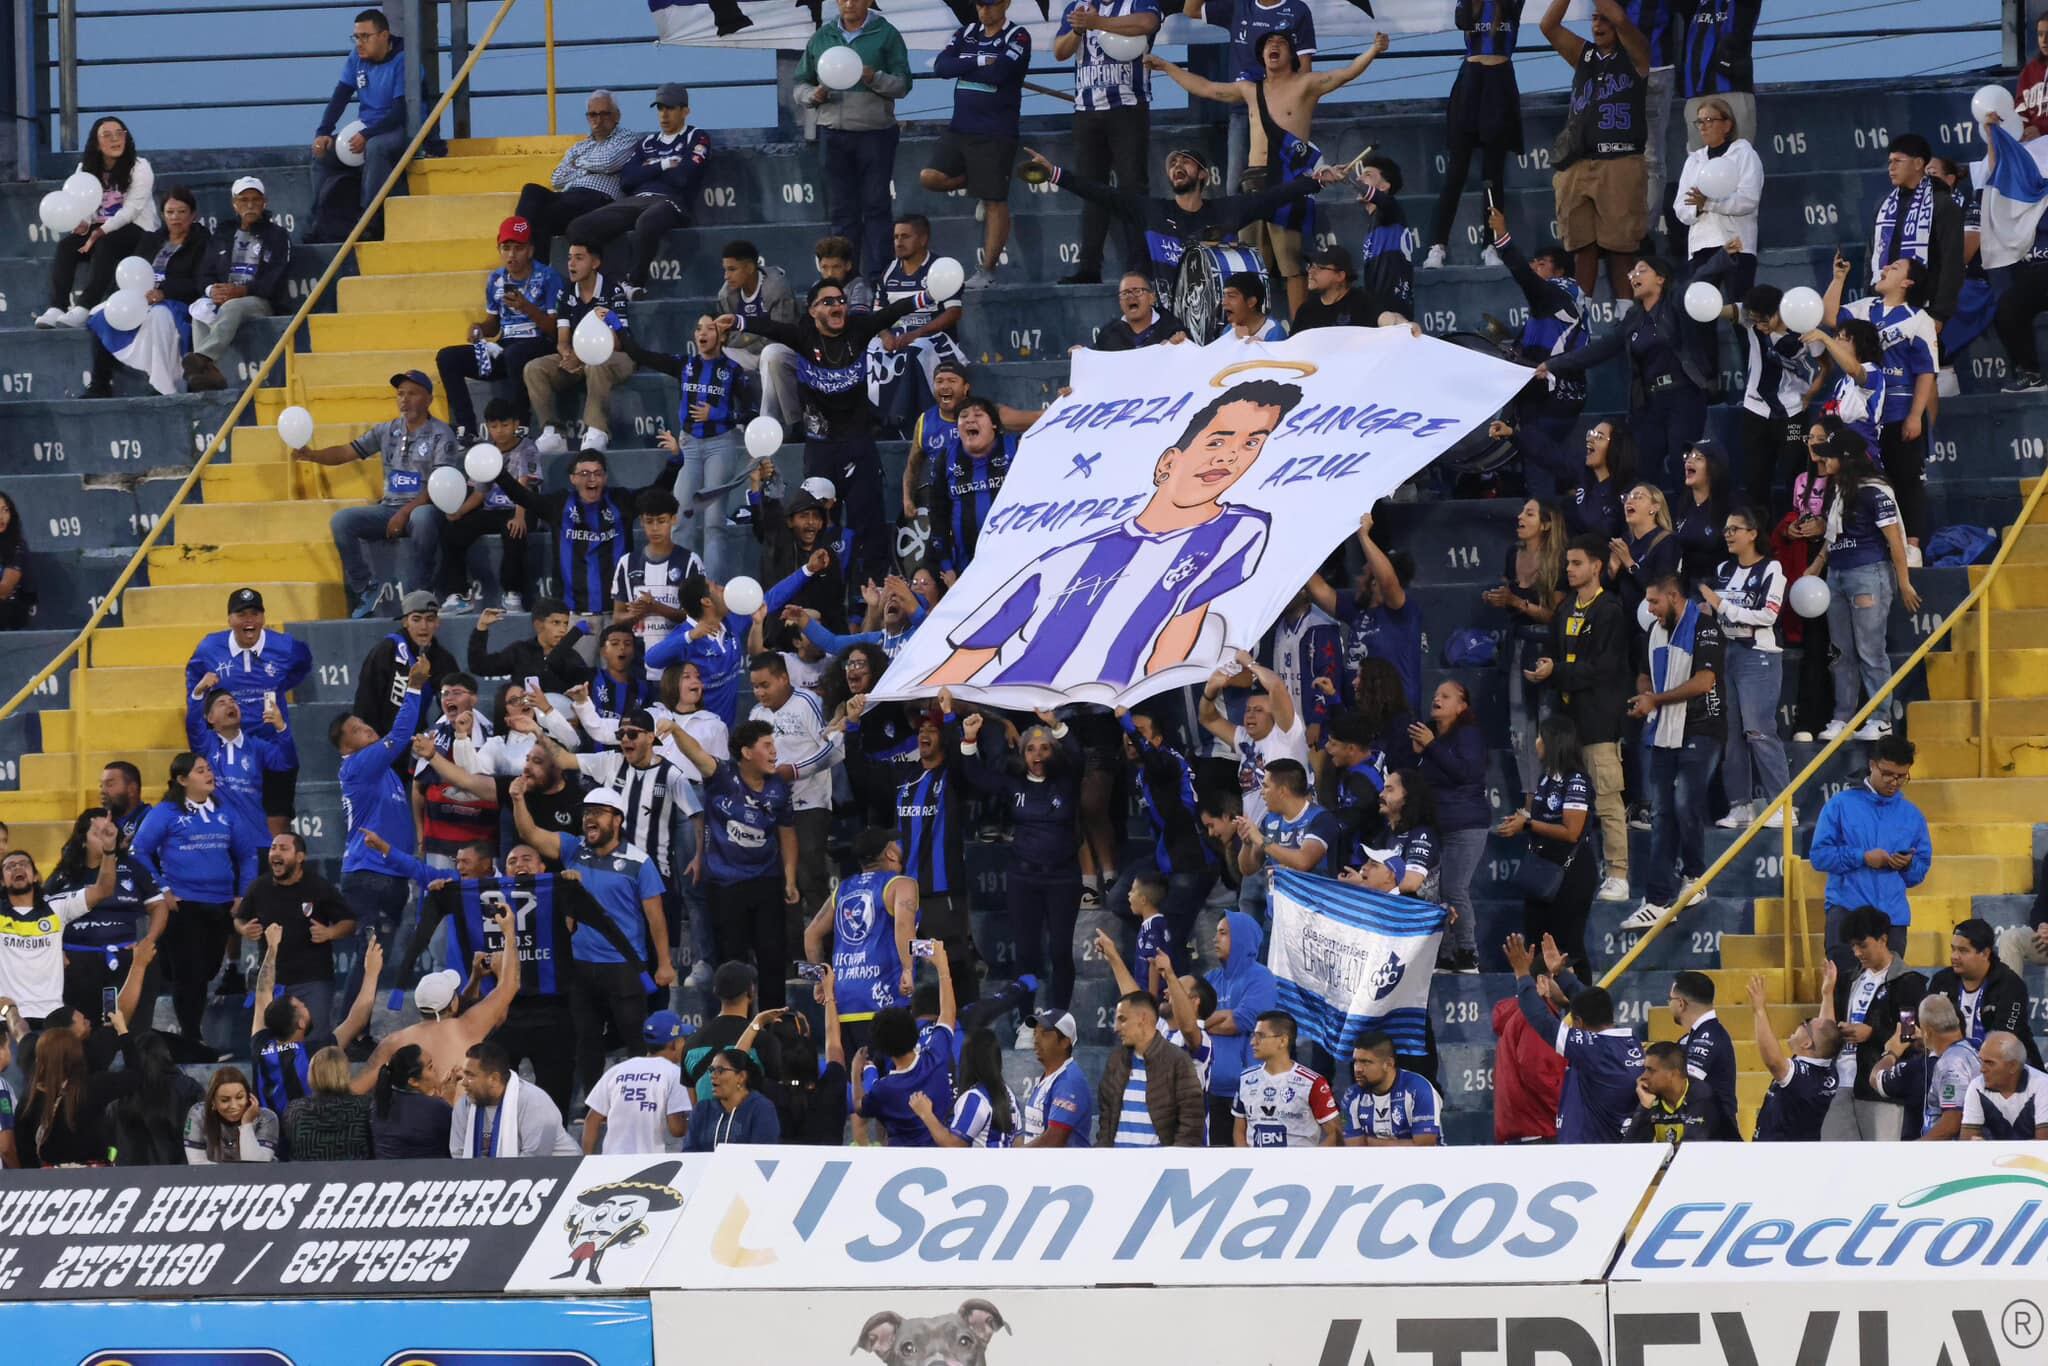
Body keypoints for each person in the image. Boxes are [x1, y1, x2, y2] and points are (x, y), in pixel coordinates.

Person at [1149, 33, 1389, 315]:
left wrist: (1373, 49)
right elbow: (1206, 88)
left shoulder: (1306, 85)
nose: (1273, 47)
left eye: (1281, 43)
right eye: (1267, 45)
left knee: (1291, 264)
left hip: (1288, 179)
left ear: (1292, 54)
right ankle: (1254, 331)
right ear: (1261, 56)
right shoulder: (1251, 90)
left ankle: (1299, 329)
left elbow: (1346, 72)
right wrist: (1167, 66)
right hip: (1253, 180)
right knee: (1251, 263)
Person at [716, 280, 933, 585]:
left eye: (841, 300)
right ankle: (821, 588)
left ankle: (867, 594)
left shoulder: (858, 329)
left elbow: (892, 312)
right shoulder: (803, 335)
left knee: (867, 523)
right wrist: (738, 320)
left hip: (858, 443)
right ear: (813, 310)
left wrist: (928, 294)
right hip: (820, 448)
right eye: (828, 301)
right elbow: (771, 329)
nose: (837, 305)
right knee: (817, 525)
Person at [1024, 143, 1327, 295]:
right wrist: (1055, 174)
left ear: (1204, 176)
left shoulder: (1226, 211)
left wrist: (1318, 180)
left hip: (1214, 319)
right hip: (1166, 324)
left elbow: (1271, 198)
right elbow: (1099, 193)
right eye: (1173, 163)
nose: (1178, 165)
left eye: (1187, 162)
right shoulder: (1152, 210)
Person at [293, 370, 460, 617]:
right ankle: (365, 588)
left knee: (423, 519)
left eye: (412, 394)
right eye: (400, 394)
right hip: (389, 508)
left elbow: (440, 486)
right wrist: (313, 455)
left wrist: (404, 513)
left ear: (428, 399)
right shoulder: (387, 430)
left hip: (425, 507)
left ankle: (419, 593)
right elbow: (346, 452)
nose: (404, 399)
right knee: (342, 521)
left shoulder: (441, 433)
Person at [1540, 258, 1712, 485]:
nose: (1633, 276)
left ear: (1661, 278)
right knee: (1643, 470)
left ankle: (1687, 519)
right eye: (1631, 273)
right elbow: (1600, 350)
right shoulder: (1634, 317)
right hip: (1649, 403)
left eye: (1642, 271)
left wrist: (1723, 259)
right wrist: (1554, 365)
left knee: (1683, 469)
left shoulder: (1675, 304)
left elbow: (1698, 280)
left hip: (1683, 397)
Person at [131, 754, 263, 1043]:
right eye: (200, 771)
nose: (208, 774)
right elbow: (138, 851)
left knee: (207, 970)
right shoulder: (166, 812)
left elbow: (248, 853)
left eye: (208, 769)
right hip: (184, 906)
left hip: (221, 904)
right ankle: (192, 1036)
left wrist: (244, 893)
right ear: (182, 779)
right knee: (190, 975)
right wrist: (162, 888)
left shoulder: (226, 811)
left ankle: (171, 978)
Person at [1621, 574, 1726, 931]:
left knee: (1684, 802)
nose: (1649, 609)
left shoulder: (1705, 627)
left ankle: (1696, 877)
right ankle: (1656, 900)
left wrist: (1656, 700)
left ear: (1674, 597)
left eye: (1654, 602)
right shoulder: (1653, 632)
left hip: (1702, 727)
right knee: (1662, 813)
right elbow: (1643, 675)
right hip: (1664, 731)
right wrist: (1645, 695)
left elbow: (1704, 682)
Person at [960, 709, 1084, 1009]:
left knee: (1059, 952)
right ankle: (1028, 1019)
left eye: (1044, 748)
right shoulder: (1013, 783)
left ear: (1053, 751)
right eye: (1030, 749)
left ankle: (1059, 1016)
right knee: (1026, 952)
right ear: (1022, 753)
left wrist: (1055, 724)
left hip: (1063, 878)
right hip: (1024, 879)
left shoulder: (1067, 780)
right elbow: (977, 776)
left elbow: (1078, 756)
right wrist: (969, 738)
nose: (1037, 755)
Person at [1530, 534, 1631, 901]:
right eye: (1567, 563)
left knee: (1606, 800)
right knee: (1565, 802)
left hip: (1599, 721)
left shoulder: (1610, 611)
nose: (1568, 570)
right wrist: (1547, 666)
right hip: (1566, 723)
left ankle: (1619, 873)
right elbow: (1556, 653)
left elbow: (1602, 669)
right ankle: (1576, 872)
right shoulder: (1566, 608)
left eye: (1576, 563)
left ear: (1596, 566)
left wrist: (1555, 671)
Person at [330, 652, 436, 1002]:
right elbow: (402, 731)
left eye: (366, 723)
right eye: (358, 729)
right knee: (368, 959)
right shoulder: (358, 765)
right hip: (368, 875)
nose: (368, 728)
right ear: (346, 746)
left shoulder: (383, 771)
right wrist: (414, 686)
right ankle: (346, 1031)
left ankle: (357, 1029)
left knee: (374, 961)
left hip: (390, 874)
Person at [1800, 437, 1919, 741]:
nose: (1821, 461)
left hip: (1869, 574)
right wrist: (1816, 566)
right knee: (1841, 652)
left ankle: (1881, 719)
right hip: (1837, 575)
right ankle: (1843, 718)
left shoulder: (1874, 491)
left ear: (1847, 458)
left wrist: (1904, 582)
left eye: (1829, 456)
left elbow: (1894, 539)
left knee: (1870, 650)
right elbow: (1833, 535)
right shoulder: (1838, 490)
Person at [794, 0, 913, 283]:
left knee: (876, 207)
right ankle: (844, 283)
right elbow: (800, 84)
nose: (849, 4)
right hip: (833, 134)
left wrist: (875, 77)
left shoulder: (887, 34)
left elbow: (903, 84)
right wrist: (813, 96)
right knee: (841, 211)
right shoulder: (822, 37)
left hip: (876, 134)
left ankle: (879, 279)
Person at [1538, 0, 1650, 299]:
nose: (1598, 25)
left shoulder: (1636, 52)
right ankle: (1581, 313)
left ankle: (1626, 315)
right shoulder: (1585, 54)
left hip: (1620, 158)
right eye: (1594, 19)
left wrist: (1615, 17)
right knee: (1582, 247)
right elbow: (1548, 26)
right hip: (1578, 161)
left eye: (1604, 20)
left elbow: (1623, 21)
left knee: (1619, 248)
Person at [1825, 251, 1937, 546]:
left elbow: (1926, 371)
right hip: (1865, 416)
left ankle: (1911, 547)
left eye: (1895, 266)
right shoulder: (1863, 308)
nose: (1885, 267)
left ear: (1908, 282)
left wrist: (1915, 415)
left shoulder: (1919, 319)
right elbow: (1829, 317)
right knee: (1870, 484)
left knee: (1906, 480)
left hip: (1900, 412)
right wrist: (1838, 279)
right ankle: (1876, 544)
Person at [184, 587, 312, 837]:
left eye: (255, 613)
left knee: (277, 824)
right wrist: (202, 702)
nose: (249, 620)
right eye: (241, 614)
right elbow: (193, 676)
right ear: (230, 619)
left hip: (270, 744)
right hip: (229, 747)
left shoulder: (285, 646)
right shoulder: (210, 647)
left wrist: (281, 685)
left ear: (264, 617)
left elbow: (303, 663)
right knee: (231, 823)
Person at [565, 85, 710, 295]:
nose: (664, 114)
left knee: (648, 221)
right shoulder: (647, 142)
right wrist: (665, 164)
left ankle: (634, 284)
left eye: (670, 108)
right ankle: (606, 286)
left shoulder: (697, 137)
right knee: (578, 227)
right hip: (636, 200)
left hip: (671, 201)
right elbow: (627, 180)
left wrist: (647, 169)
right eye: (660, 108)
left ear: (685, 111)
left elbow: (683, 177)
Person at [925, 0, 1030, 290]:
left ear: (1006, 3)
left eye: (991, 4)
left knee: (996, 201)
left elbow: (1000, 74)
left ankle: (987, 271)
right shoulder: (968, 31)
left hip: (995, 132)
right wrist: (981, 60)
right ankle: (980, 183)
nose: (985, 9)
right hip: (960, 127)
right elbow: (941, 67)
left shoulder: (1018, 35)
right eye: (980, 4)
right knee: (930, 177)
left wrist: (965, 65)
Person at [434, 216, 566, 440]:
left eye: (518, 248)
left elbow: (554, 329)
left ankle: (521, 424)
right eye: (506, 248)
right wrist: (479, 329)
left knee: (515, 355)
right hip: (505, 347)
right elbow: (493, 324)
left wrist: (526, 307)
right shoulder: (496, 278)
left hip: (540, 343)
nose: (512, 255)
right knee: (447, 357)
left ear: (531, 250)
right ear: (499, 248)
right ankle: (467, 429)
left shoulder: (548, 276)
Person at [1506, 932, 1644, 1141]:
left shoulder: (1594, 1049)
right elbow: (1589, 1000)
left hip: (1591, 1155)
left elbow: (1543, 1022)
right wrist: (1561, 973)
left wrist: (1522, 976)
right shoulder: (1629, 1041)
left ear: (1578, 1023)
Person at [1422, 0, 1526, 271]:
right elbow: (1464, 22)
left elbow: (1512, 11)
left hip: (1500, 79)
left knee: (1493, 175)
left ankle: (1491, 246)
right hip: (1471, 81)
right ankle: (1437, 246)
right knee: (1456, 173)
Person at [1811, 735, 1929, 963]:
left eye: (1901, 776)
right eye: (1887, 774)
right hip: (1847, 909)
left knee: (1888, 992)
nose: (1893, 782)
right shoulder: (1840, 804)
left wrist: (1908, 865)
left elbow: (1919, 872)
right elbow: (1819, 856)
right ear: (1872, 765)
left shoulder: (1913, 815)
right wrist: (1862, 857)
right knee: (1845, 988)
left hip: (1892, 919)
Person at [82, 183, 206, 398]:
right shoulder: (151, 239)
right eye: (170, 212)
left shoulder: (203, 242)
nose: (175, 217)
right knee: (102, 313)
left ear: (193, 215)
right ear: (163, 215)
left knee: (158, 316)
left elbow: (199, 282)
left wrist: (164, 292)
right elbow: (132, 268)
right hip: (140, 298)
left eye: (181, 212)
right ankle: (99, 384)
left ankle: (161, 385)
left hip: (175, 301)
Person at [1497, 714, 1597, 975]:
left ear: (1554, 741)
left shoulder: (1576, 780)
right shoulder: (1545, 778)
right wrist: (1522, 821)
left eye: (1541, 736)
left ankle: (1584, 1007)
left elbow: (1571, 831)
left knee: (1568, 947)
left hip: (1570, 872)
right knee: (1537, 944)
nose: (1537, 742)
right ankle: (1542, 1006)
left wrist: (1527, 825)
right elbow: (1543, 820)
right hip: (1543, 869)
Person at [36, 115, 157, 329]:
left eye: (120, 133)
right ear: (96, 142)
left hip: (137, 229)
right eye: (107, 135)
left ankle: (84, 306)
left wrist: (100, 231)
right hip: (101, 227)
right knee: (67, 246)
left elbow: (132, 210)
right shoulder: (85, 168)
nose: (115, 139)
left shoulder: (140, 167)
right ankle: (56, 306)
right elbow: (82, 203)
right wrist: (82, 222)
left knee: (106, 241)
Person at [49, 810, 168, 1027]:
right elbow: (42, 917)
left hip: (126, 958)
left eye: (109, 832)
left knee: (128, 1028)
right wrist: (55, 949)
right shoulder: (63, 874)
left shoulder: (132, 868)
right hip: (77, 964)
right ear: (82, 840)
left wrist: (149, 939)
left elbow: (159, 906)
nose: (105, 837)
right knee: (86, 1029)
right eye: (98, 833)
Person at [804, 829, 918, 1052]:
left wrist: (819, 979)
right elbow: (903, 927)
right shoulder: (902, 884)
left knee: (855, 1079)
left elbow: (811, 934)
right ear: (891, 852)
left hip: (844, 1002)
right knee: (888, 1080)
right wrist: (908, 968)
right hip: (886, 1004)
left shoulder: (842, 889)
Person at [1822, 907, 1926, 1140]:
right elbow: (1827, 1027)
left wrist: (1873, 1033)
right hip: (1840, 1083)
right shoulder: (1849, 979)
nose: (1857, 952)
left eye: (1863, 945)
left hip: (1880, 1088)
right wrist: (1827, 994)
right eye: (1853, 947)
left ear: (1883, 939)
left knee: (1881, 1165)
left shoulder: (1908, 982)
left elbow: (1908, 1032)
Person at [234, 833, 354, 1034]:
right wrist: (244, 929)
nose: (276, 853)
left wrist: (330, 932)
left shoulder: (318, 886)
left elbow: (350, 922)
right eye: (273, 848)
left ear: (300, 857)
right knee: (271, 1046)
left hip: (313, 980)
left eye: (283, 848)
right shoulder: (259, 887)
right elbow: (239, 918)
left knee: (315, 1042)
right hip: (273, 982)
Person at [526, 240, 636, 458]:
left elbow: (617, 341)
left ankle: (596, 431)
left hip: (618, 357)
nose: (571, 264)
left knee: (597, 363)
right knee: (534, 368)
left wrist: (581, 356)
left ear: (595, 262)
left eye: (579, 258)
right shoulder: (567, 292)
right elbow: (562, 338)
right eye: (569, 258)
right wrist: (566, 354)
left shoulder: (612, 290)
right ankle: (553, 433)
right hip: (580, 357)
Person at [182, 177, 292, 392]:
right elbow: (204, 273)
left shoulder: (277, 236)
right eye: (243, 200)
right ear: (235, 204)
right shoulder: (223, 234)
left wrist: (241, 291)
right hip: (226, 297)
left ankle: (202, 358)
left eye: (255, 200)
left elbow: (274, 280)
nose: (249, 205)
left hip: (259, 301)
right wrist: (212, 290)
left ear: (264, 203)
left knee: (233, 306)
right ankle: (207, 376)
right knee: (200, 310)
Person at [1, 833, 118, 1027]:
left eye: (23, 864)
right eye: (9, 867)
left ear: (36, 876)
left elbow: (104, 889)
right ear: (2, 881)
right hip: (7, 1019)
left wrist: (108, 851)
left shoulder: (57, 907)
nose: (17, 868)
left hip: (52, 1017)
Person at [1409, 680, 1487, 971]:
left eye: (1446, 695)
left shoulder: (1468, 734)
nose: (1436, 699)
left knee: (1454, 889)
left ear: (1462, 705)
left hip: (1465, 825)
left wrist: (1431, 746)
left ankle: (1468, 954)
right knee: (1436, 892)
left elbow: (1466, 772)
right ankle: (1445, 954)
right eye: (1435, 694)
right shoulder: (1429, 736)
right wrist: (1421, 752)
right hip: (1436, 826)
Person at [853, 939, 960, 1147]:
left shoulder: (883, 1089)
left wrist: (855, 1073)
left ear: (882, 1049)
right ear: (913, 1030)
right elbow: (948, 1013)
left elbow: (859, 1106)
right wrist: (942, 965)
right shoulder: (935, 1057)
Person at [512, 91, 640, 265]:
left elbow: (609, 162)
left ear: (617, 116)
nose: (598, 119)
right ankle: (520, 247)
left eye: (604, 113)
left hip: (598, 199)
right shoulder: (580, 145)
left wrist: (578, 164)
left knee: (543, 216)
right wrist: (588, 168)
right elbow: (557, 178)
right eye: (593, 114)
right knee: (531, 191)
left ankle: (533, 269)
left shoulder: (627, 137)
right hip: (569, 196)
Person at [182, 683, 290, 861]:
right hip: (220, 843)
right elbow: (193, 725)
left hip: (258, 840)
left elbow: (286, 762)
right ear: (210, 718)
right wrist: (198, 693)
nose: (230, 705)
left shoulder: (257, 746)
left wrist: (281, 728)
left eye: (233, 701)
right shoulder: (206, 744)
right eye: (221, 703)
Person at [1869, 133, 1963, 333]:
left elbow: (1952, 263)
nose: (1891, 168)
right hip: (1885, 306)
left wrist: (1940, 314)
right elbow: (1873, 254)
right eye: (1889, 162)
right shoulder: (1884, 206)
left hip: (1926, 309)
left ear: (1918, 163)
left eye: (1898, 161)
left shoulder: (1943, 205)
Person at [1671, 97, 1761, 302]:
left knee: (1740, 311)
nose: (1703, 127)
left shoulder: (1744, 154)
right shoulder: (1693, 160)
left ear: (1727, 124)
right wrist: (1698, 208)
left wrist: (1709, 203)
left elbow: (1748, 199)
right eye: (1700, 121)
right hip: (1701, 246)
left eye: (1709, 120)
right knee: (1700, 317)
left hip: (1737, 245)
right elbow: (1681, 207)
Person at [1097, 990, 1206, 1146]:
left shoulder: (1177, 1061)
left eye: (1122, 1019)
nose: (1116, 1027)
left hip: (1158, 1168)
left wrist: (1172, 1163)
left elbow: (1192, 1122)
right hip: (1116, 1167)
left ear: (1143, 1018)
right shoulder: (1116, 1061)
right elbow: (1105, 1121)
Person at [1929, 918, 2041, 1066]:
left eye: (1963, 951)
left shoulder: (2010, 985)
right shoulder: (1942, 981)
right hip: (1951, 1062)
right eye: (1953, 949)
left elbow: (2003, 1042)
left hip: (2001, 1066)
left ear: (1985, 953)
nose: (1954, 956)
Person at [1746, 972, 1841, 1141]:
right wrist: (1827, 993)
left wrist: (1759, 1010)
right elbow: (1826, 1032)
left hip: (1779, 1155)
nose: (1799, 1025)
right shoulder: (1827, 1066)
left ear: (1806, 1043)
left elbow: (1774, 1061)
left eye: (1805, 1023)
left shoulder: (1803, 1077)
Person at [583, 1009, 693, 1154]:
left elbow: (591, 1121)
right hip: (648, 1164)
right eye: (682, 1039)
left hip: (611, 1162)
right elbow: (677, 1129)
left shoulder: (617, 1070)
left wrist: (588, 1161)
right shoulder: (673, 1073)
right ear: (673, 1044)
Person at [1872, 993, 1978, 1142]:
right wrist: (1930, 1041)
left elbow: (1951, 1124)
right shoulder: (1977, 1048)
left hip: (1941, 1155)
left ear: (1926, 1032)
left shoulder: (1950, 1064)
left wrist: (1892, 1052)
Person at [452, 1038, 579, 1157]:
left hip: (564, 1174)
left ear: (494, 1079)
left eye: (471, 1075)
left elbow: (535, 1159)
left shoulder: (534, 1102)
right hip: (500, 1176)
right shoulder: (464, 1105)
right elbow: (458, 1153)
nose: (463, 1082)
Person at [1231, 1010, 1337, 1147]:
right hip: (1258, 1166)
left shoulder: (1312, 1083)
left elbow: (1334, 1132)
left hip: (1297, 1167)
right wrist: (1249, 1162)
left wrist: (1311, 1164)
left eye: (1260, 1036)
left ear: (1282, 1041)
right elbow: (1239, 1131)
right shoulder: (1246, 1080)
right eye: (1253, 1036)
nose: (1253, 1042)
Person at [1493, 955, 1566, 1142]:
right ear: (1542, 982)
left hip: (1527, 1130)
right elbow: (1539, 1073)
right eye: (1560, 977)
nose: (1569, 982)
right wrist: (1570, 1109)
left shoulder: (1523, 1014)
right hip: (1540, 1131)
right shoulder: (1537, 1019)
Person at [1667, 969, 1739, 1139]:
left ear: (1681, 1003)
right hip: (1704, 1130)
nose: (1668, 1004)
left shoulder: (1708, 1036)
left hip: (1716, 1136)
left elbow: (1685, 1085)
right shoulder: (1696, 1035)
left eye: (1670, 999)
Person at [1340, 1030, 1443, 1145]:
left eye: (1365, 1062)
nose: (1357, 1069)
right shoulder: (1351, 1096)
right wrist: (1402, 1144)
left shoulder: (1420, 1090)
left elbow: (1423, 1147)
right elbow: (1354, 1148)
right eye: (1355, 1062)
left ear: (1388, 1063)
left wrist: (1368, 1142)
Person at [1016, 1008, 1095, 1147]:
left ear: (1065, 1041)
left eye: (1045, 1034)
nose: (1036, 1040)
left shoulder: (1069, 1082)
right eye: (1035, 1033)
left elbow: (1053, 1140)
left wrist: (1015, 1157)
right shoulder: (1049, 1077)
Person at [281, 1046, 375, 1162]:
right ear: (346, 1073)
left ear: (312, 1073)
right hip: (356, 1177)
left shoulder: (295, 1110)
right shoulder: (366, 1107)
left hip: (307, 1177)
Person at [684, 1046, 782, 1149]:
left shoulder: (761, 1109)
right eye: (711, 1070)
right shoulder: (702, 1110)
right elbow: (688, 1153)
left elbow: (761, 1156)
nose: (712, 1075)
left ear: (741, 1077)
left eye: (720, 1070)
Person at [1621, 1039, 1718, 1143]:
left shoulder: (1702, 1095)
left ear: (1672, 1074)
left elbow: (1690, 1150)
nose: (1643, 1077)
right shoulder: (1651, 1097)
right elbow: (1631, 1150)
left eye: (1650, 1070)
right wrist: (1644, 1109)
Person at [370, 1043, 455, 1157]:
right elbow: (455, 1144)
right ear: (413, 1081)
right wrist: (447, 1101)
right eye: (430, 1067)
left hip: (385, 1173)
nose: (436, 1070)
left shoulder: (377, 1103)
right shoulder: (437, 1107)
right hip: (428, 1173)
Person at [183, 1066, 279, 1163]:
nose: (234, 1106)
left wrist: (246, 1125)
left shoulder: (266, 1118)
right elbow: (197, 1165)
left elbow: (256, 1167)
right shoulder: (198, 1114)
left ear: (249, 1097)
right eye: (225, 1100)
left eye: (239, 1097)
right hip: (213, 1178)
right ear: (213, 1102)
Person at [1961, 1032, 2048, 1140]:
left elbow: (2044, 1145)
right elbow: (1967, 1141)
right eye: (1981, 1061)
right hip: (1991, 1156)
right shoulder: (1976, 1086)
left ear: (2013, 1066)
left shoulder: (2043, 1085)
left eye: (1990, 1063)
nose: (1982, 1069)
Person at [1091, 271, 1189, 349]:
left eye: (1138, 291)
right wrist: (1079, 355)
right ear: (1120, 302)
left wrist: (1179, 346)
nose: (1131, 297)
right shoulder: (1108, 335)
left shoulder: (1173, 329)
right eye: (1125, 293)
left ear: (1152, 298)